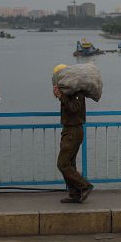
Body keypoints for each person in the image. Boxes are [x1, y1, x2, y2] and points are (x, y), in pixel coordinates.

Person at [52, 64, 94, 204]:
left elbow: (74, 109)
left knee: (62, 163)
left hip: (74, 130)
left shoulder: (77, 92)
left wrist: (61, 96)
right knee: (70, 163)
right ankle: (74, 193)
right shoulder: (70, 92)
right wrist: (61, 96)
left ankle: (85, 186)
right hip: (69, 130)